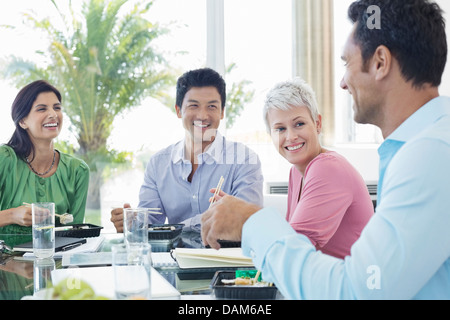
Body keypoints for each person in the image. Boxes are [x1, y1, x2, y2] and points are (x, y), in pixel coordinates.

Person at [201, 0, 450, 299]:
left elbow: (358, 291)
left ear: (380, 62)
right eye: (279, 128)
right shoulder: (420, 147)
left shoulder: (430, 155)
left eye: (347, 62)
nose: (343, 82)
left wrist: (250, 221)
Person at [111, 68, 264, 233]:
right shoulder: (158, 163)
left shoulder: (244, 160)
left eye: (212, 106)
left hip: (223, 256)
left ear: (222, 112)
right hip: (173, 256)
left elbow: (249, 222)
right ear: (178, 110)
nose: (203, 115)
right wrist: (131, 222)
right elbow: (149, 223)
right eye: (194, 106)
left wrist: (175, 229)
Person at [262, 78, 373, 259]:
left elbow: (293, 249)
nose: (291, 136)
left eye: (299, 124)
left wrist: (244, 218)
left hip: (352, 282)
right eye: (280, 129)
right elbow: (289, 237)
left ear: (318, 124)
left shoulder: (327, 167)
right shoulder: (296, 173)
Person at [0, 80, 90, 234]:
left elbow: (74, 234)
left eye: (57, 108)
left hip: (55, 258)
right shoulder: (4, 159)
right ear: (22, 121)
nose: (53, 114)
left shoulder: (78, 170)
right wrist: (12, 215)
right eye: (42, 109)